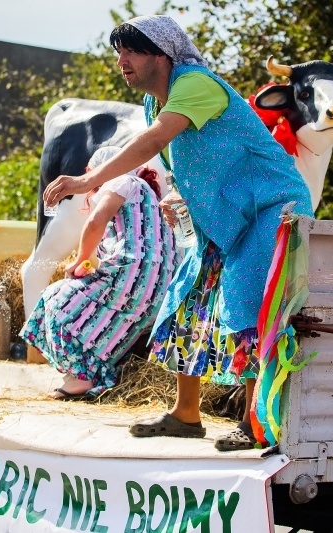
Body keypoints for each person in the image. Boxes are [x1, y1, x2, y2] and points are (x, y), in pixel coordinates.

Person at [43, 15, 313, 450]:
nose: (121, 61)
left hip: (271, 208)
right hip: (231, 215)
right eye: (118, 53)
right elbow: (200, 163)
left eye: (130, 52)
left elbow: (153, 142)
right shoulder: (157, 102)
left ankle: (255, 423)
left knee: (246, 303)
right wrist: (184, 200)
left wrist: (85, 181)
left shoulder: (196, 83)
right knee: (185, 299)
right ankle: (187, 415)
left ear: (162, 55)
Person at [21, 146, 177, 399]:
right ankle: (93, 376)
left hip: (130, 275)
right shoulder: (150, 194)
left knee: (55, 299)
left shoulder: (120, 182)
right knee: (104, 324)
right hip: (160, 290)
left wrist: (80, 260)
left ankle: (81, 377)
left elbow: (96, 221)